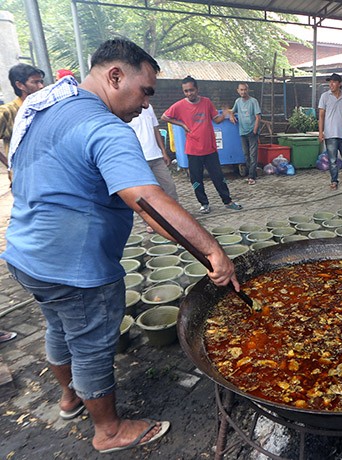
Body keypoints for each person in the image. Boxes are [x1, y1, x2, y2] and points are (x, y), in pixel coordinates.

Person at [1, 38, 239, 454]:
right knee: (91, 344)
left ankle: (70, 398)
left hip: (27, 254)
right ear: (115, 76)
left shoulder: (47, 109)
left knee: (60, 328)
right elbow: (148, 200)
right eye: (145, 92)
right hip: (75, 267)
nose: (146, 105)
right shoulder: (105, 126)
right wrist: (213, 252)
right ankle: (109, 431)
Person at [162, 76, 243, 213]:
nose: (189, 93)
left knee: (218, 177)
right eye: (186, 91)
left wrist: (224, 114)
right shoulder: (179, 105)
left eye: (191, 90)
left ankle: (228, 201)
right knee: (196, 180)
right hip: (193, 150)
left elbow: (216, 120)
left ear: (197, 89)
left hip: (210, 149)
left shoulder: (206, 102)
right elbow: (165, 117)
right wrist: (182, 124)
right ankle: (204, 204)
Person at [128, 103, 179, 232]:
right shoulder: (126, 108)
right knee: (145, 193)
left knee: (169, 187)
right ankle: (150, 222)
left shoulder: (148, 107)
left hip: (156, 156)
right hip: (139, 159)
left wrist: (163, 151)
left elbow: (156, 129)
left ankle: (174, 217)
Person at [0, 64, 45, 168]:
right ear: (20, 85)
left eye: (41, 81)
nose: (41, 86)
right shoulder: (7, 112)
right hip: (23, 174)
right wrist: (9, 164)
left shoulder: (44, 107)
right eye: (35, 82)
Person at [318, 73, 342, 190]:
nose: (331, 84)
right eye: (330, 82)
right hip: (330, 134)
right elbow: (321, 116)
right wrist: (321, 132)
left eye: (334, 82)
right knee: (332, 160)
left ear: (339, 84)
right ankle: (334, 181)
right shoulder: (325, 96)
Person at [229, 82, 261, 185]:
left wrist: (255, 130)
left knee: (253, 154)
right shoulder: (238, 101)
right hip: (242, 131)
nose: (243, 92)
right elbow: (232, 111)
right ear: (238, 91)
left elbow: (258, 117)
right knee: (246, 154)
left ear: (248, 90)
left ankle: (251, 176)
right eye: (241, 90)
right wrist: (231, 116)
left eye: (245, 89)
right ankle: (251, 172)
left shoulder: (253, 101)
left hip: (252, 131)